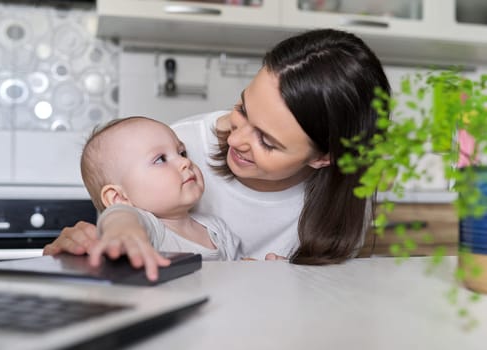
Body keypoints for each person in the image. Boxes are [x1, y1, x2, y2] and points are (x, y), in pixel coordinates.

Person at [43, 28, 391, 280]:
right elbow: (122, 222)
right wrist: (82, 244)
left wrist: (289, 285)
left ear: (323, 158)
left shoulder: (341, 206)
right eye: (242, 109)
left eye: (267, 142)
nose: (237, 139)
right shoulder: (176, 146)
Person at [79, 116, 242, 266]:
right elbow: (120, 215)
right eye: (160, 159)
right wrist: (122, 230)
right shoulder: (148, 229)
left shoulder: (218, 229)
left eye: (182, 152)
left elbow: (238, 275)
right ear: (119, 197)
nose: (184, 162)